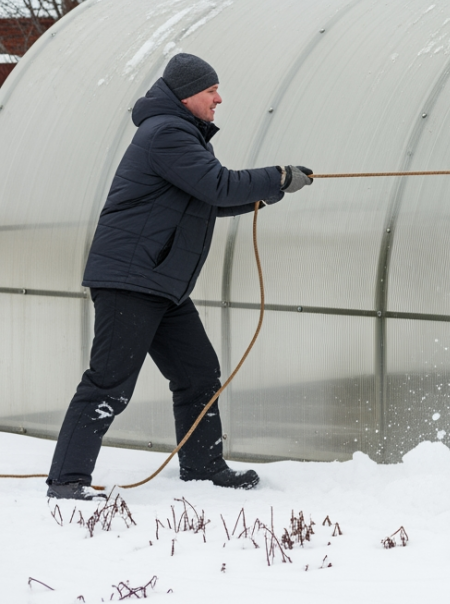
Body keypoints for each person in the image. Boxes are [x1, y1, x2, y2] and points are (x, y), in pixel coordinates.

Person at [45, 53, 315, 500]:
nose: (218, 99)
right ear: (187, 94)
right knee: (108, 383)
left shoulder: (181, 134)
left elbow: (207, 199)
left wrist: (271, 192)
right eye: (211, 91)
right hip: (132, 281)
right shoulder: (167, 133)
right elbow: (218, 185)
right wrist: (279, 176)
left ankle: (203, 467)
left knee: (198, 374)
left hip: (161, 283)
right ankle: (67, 481)